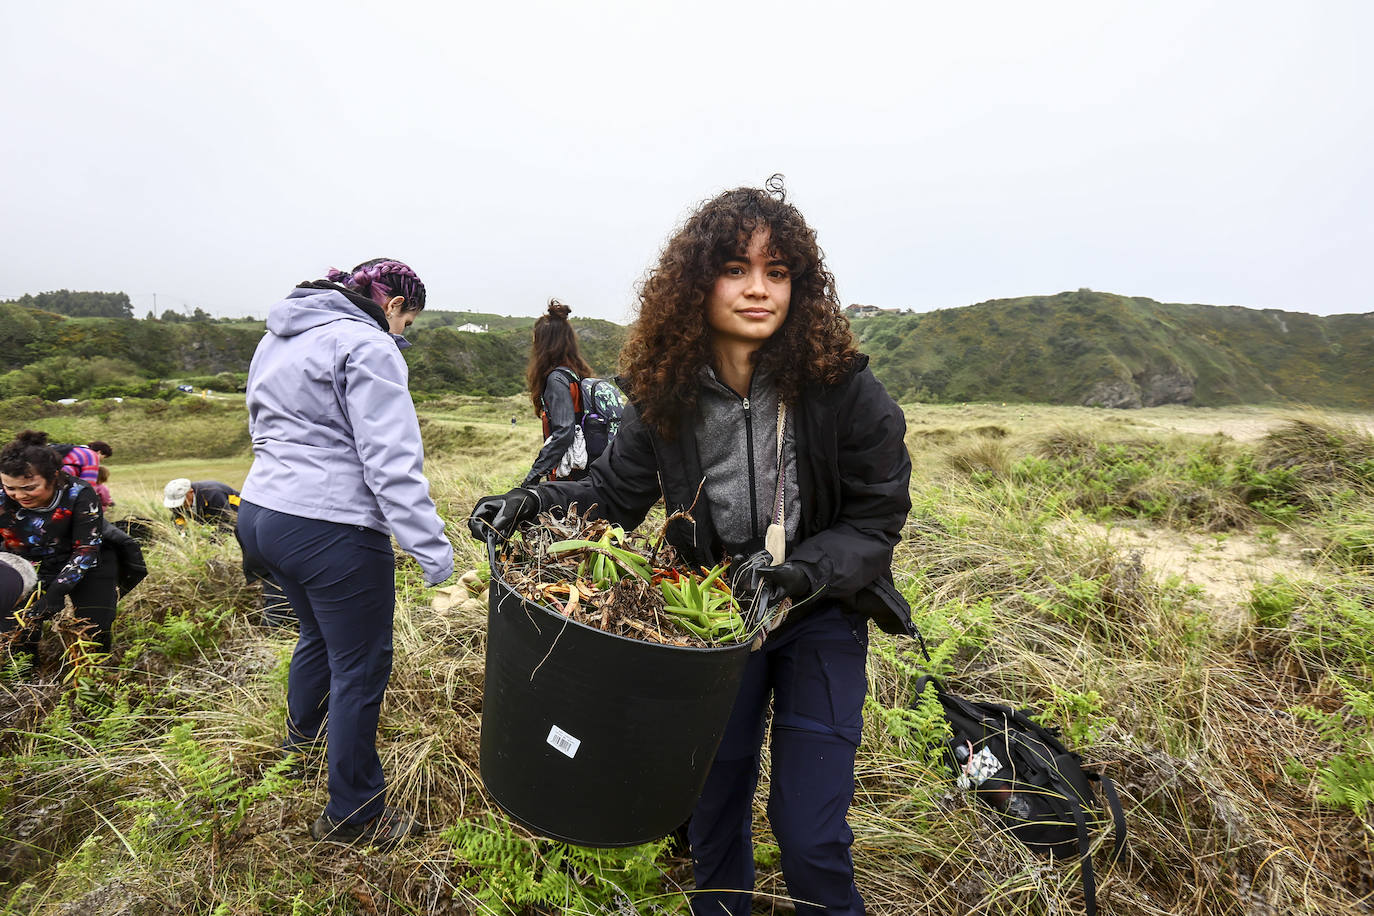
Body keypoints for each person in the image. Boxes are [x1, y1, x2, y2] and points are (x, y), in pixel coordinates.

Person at [469, 179, 913, 915]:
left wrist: (800, 576)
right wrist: (532, 501)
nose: (758, 290)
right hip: (714, 624)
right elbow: (612, 498)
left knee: (809, 834)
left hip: (819, 617)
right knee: (711, 813)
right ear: (696, 284)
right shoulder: (663, 394)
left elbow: (875, 521)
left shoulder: (845, 393)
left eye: (777, 272)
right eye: (736, 269)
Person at [236, 257, 454, 848]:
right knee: (360, 667)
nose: (404, 331)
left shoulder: (279, 336)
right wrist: (434, 554)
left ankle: (300, 748)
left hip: (260, 514)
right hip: (328, 527)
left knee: (316, 637)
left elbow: (260, 428)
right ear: (393, 306)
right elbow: (391, 463)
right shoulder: (369, 345)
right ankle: (355, 814)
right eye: (409, 319)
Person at [1, 430, 119, 660]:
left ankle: (96, 670)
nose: (19, 495)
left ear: (54, 477)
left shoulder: (79, 494)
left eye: (29, 487)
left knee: (95, 621)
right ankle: (25, 676)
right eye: (10, 487)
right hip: (26, 560)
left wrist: (55, 592)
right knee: (17, 625)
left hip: (82, 559)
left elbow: (86, 548)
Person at [164, 478, 294, 627]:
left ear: (190, 493)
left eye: (181, 501)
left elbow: (226, 523)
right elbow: (179, 521)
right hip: (230, 528)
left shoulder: (212, 493)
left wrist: (211, 542)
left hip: (245, 519)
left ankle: (270, 597)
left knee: (258, 561)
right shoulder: (178, 505)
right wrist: (184, 539)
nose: (179, 506)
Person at [520, 298, 596, 488]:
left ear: (545, 343)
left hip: (569, 475)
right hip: (586, 469)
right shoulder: (576, 374)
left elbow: (564, 432)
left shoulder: (556, 379)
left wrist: (533, 476)